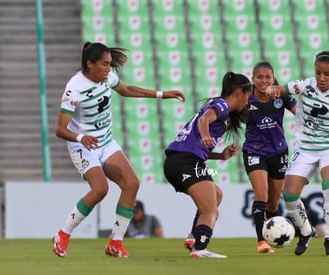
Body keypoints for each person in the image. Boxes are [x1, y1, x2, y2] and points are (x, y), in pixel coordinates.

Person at [52, 42, 185, 258]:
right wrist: (80, 137)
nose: (108, 68)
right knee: (100, 189)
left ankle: (115, 243)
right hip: (81, 145)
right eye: (104, 64)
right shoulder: (74, 88)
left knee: (132, 183)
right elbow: (59, 129)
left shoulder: (105, 78)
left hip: (105, 142)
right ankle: (63, 234)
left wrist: (163, 94)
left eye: (109, 64)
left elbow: (127, 90)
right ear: (90, 63)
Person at [266, 50, 329, 256]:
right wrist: (273, 90)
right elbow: (283, 88)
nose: (321, 78)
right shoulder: (305, 85)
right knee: (290, 195)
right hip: (305, 148)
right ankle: (306, 231)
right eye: (318, 73)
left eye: (326, 74)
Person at [163, 72, 252, 258]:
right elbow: (204, 121)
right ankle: (200, 248)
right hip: (186, 162)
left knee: (216, 195)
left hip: (177, 161)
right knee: (210, 210)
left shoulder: (222, 111)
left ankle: (194, 236)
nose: (247, 100)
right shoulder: (221, 105)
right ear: (238, 93)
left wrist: (220, 154)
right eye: (247, 95)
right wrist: (205, 135)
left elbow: (196, 144)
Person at [242, 61, 297, 253]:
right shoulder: (246, 99)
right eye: (259, 77)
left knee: (273, 203)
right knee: (261, 195)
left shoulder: (281, 96)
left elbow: (300, 114)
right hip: (254, 151)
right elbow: (229, 115)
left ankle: (271, 236)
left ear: (273, 78)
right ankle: (261, 241)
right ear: (253, 79)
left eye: (267, 77)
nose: (263, 80)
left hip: (279, 152)